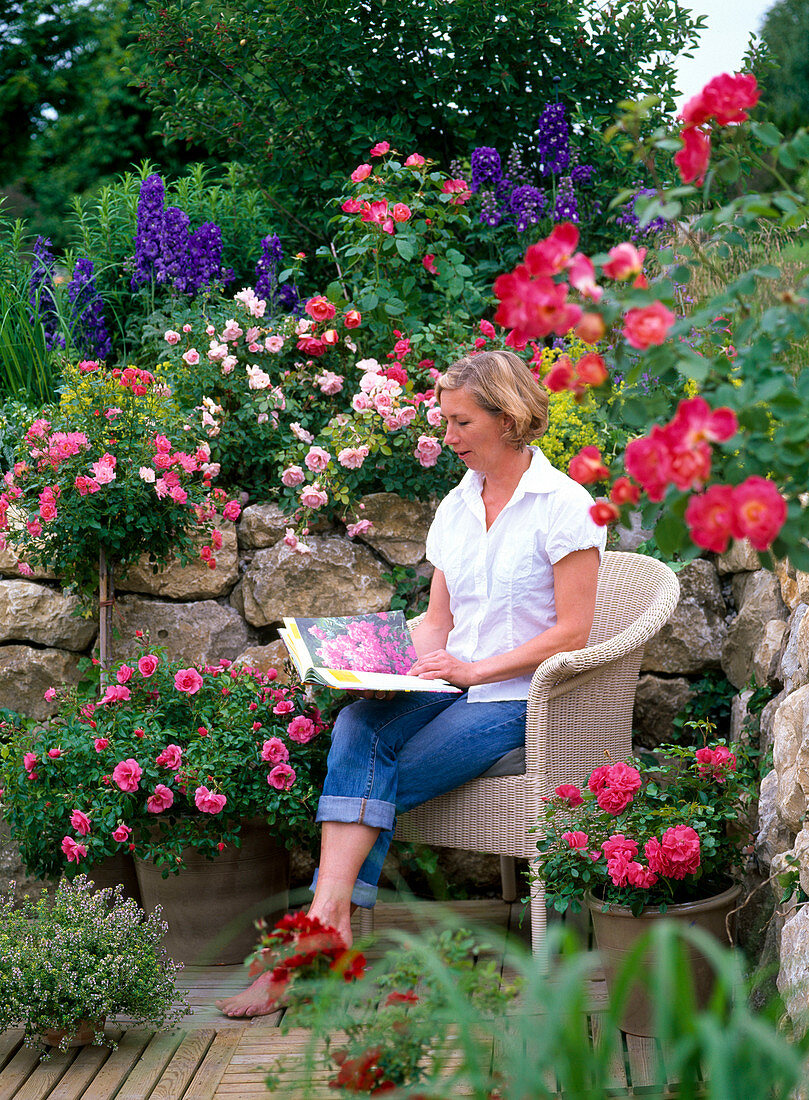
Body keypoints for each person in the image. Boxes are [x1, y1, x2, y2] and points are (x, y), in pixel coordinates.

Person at [217, 348, 605, 1017]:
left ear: (507, 417)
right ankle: (323, 936)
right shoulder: (456, 507)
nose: (446, 437)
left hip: (526, 700)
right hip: (451, 686)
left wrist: (476, 670)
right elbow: (438, 622)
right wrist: (369, 664)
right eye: (444, 421)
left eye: (459, 422)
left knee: (373, 776)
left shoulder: (564, 506)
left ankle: (310, 944)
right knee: (356, 724)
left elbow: (574, 631)